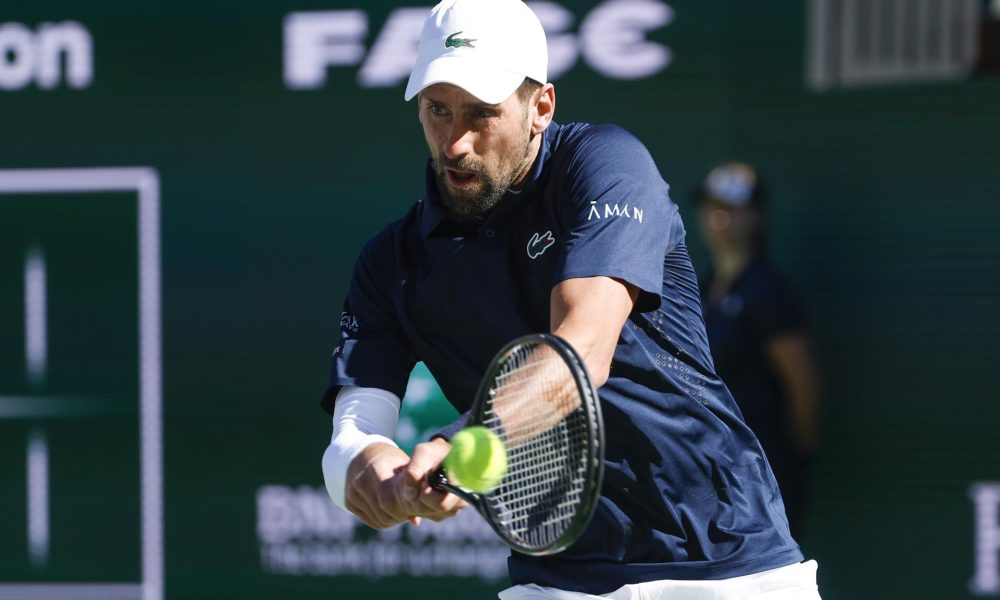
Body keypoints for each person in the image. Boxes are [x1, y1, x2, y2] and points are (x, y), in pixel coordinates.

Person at [319, 0, 823, 597]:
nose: (455, 143)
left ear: (541, 108)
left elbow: (580, 352)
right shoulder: (389, 263)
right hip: (554, 580)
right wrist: (370, 470)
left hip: (727, 563)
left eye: (481, 113)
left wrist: (457, 443)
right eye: (438, 110)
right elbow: (353, 431)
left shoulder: (606, 164)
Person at [695, 162, 822, 539]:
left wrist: (794, 459)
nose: (719, 219)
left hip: (763, 472)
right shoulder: (702, 289)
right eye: (712, 207)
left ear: (756, 216)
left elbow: (804, 386)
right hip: (709, 472)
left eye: (731, 209)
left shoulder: (769, 291)